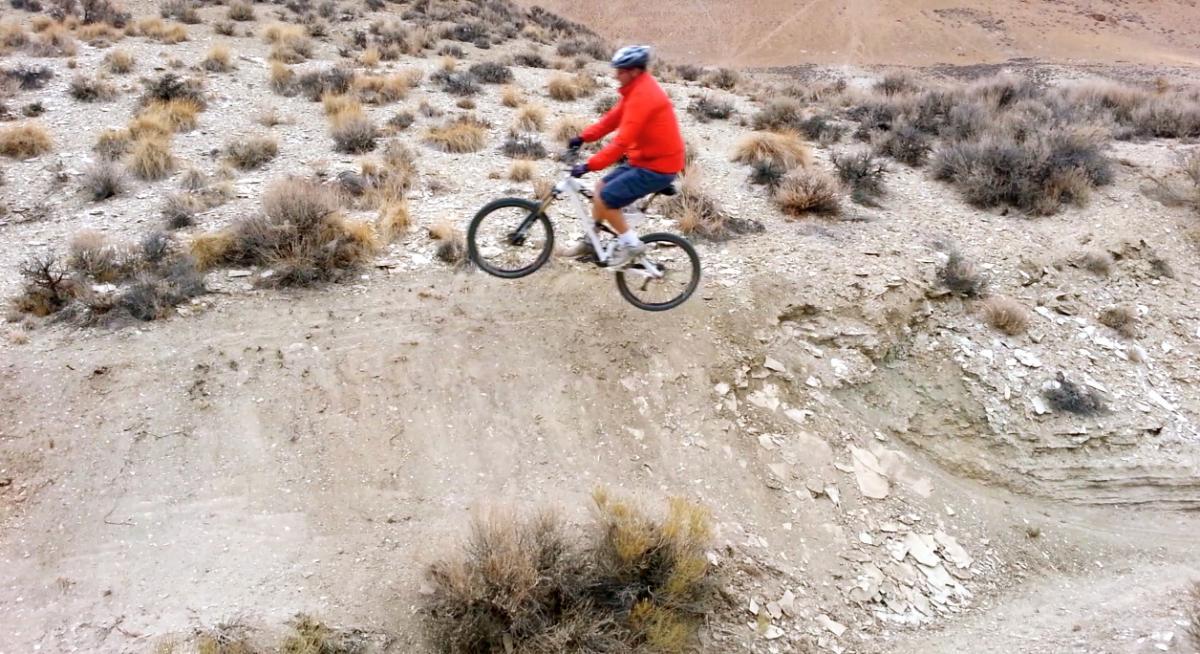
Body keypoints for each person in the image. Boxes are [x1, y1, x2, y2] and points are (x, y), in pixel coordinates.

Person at [563, 45, 686, 267]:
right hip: (645, 160)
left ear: (634, 71)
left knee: (606, 198)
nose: (616, 75)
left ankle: (632, 245)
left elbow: (622, 142)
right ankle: (592, 242)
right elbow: (611, 120)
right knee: (600, 187)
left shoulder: (643, 96)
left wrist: (589, 165)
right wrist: (583, 137)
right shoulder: (635, 90)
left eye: (620, 70)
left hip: (659, 167)